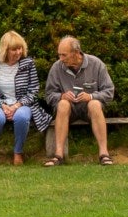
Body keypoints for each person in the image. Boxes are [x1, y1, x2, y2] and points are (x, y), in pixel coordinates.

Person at [44, 36, 115, 165]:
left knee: (94, 104)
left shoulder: (96, 64)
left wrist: (92, 96)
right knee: (63, 104)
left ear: (76, 53)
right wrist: (61, 96)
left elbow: (109, 91)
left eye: (64, 55)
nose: (61, 59)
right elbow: (48, 95)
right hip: (67, 111)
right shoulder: (56, 67)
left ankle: (104, 154)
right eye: (59, 55)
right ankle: (58, 155)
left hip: (90, 110)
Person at [0, 31, 43, 165]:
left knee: (21, 117)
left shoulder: (29, 64)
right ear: (5, 50)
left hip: (23, 104)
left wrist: (17, 105)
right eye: (14, 49)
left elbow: (34, 90)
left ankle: (18, 152)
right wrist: (2, 105)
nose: (18, 52)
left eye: (20, 48)